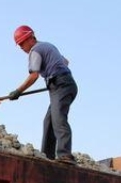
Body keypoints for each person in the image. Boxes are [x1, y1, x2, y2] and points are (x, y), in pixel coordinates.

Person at [9, 25, 78, 164]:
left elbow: (34, 75)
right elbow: (65, 62)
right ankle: (47, 156)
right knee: (49, 121)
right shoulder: (47, 46)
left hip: (61, 85)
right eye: (20, 44)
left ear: (30, 38)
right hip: (61, 84)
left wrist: (18, 91)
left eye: (22, 43)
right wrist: (52, 75)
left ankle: (65, 155)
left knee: (58, 118)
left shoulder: (35, 50)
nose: (21, 47)